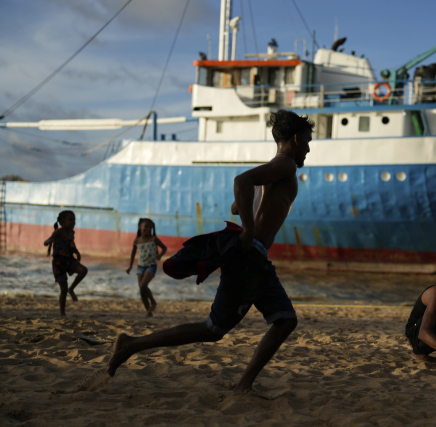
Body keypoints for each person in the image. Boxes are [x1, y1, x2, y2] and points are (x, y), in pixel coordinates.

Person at [107, 110, 314, 393]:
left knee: (286, 320)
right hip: (250, 257)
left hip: (255, 259)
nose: (309, 148)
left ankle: (244, 384)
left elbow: (234, 205)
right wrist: (251, 231)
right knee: (213, 330)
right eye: (307, 140)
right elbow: (241, 182)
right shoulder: (286, 166)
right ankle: (130, 344)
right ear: (295, 138)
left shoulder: (272, 170)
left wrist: (249, 217)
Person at [43, 210, 88, 316]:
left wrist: (77, 252)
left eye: (74, 220)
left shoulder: (71, 232)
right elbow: (47, 240)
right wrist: (48, 242)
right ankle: (62, 313)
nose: (73, 222)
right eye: (70, 220)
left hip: (69, 260)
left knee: (83, 270)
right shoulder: (59, 232)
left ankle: (71, 289)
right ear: (62, 221)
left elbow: (72, 243)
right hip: (59, 264)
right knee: (63, 289)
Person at [126, 218, 167, 316]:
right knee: (141, 290)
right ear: (140, 227)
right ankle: (148, 311)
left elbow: (164, 248)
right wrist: (130, 266)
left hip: (151, 266)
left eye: (150, 228)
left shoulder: (154, 239)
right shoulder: (137, 240)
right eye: (146, 227)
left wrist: (160, 255)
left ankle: (153, 302)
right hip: (141, 266)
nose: (148, 229)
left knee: (143, 285)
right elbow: (132, 253)